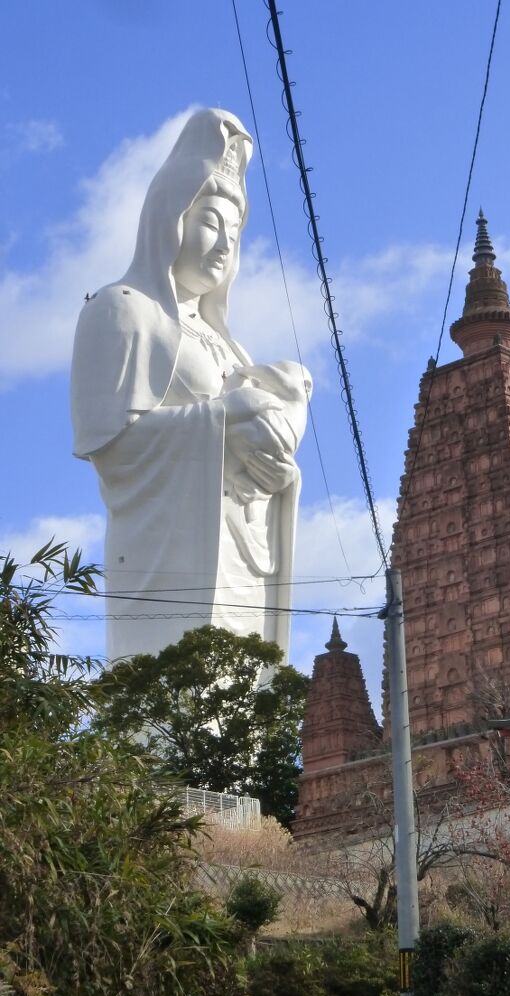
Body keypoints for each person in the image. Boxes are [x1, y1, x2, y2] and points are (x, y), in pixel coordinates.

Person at [71, 109, 311, 662]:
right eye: (208, 222)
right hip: (168, 561)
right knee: (172, 720)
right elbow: (109, 446)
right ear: (170, 217)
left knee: (240, 724)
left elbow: (259, 457)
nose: (223, 243)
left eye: (234, 230)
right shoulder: (123, 310)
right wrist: (224, 422)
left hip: (242, 556)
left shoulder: (232, 348)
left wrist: (277, 467)